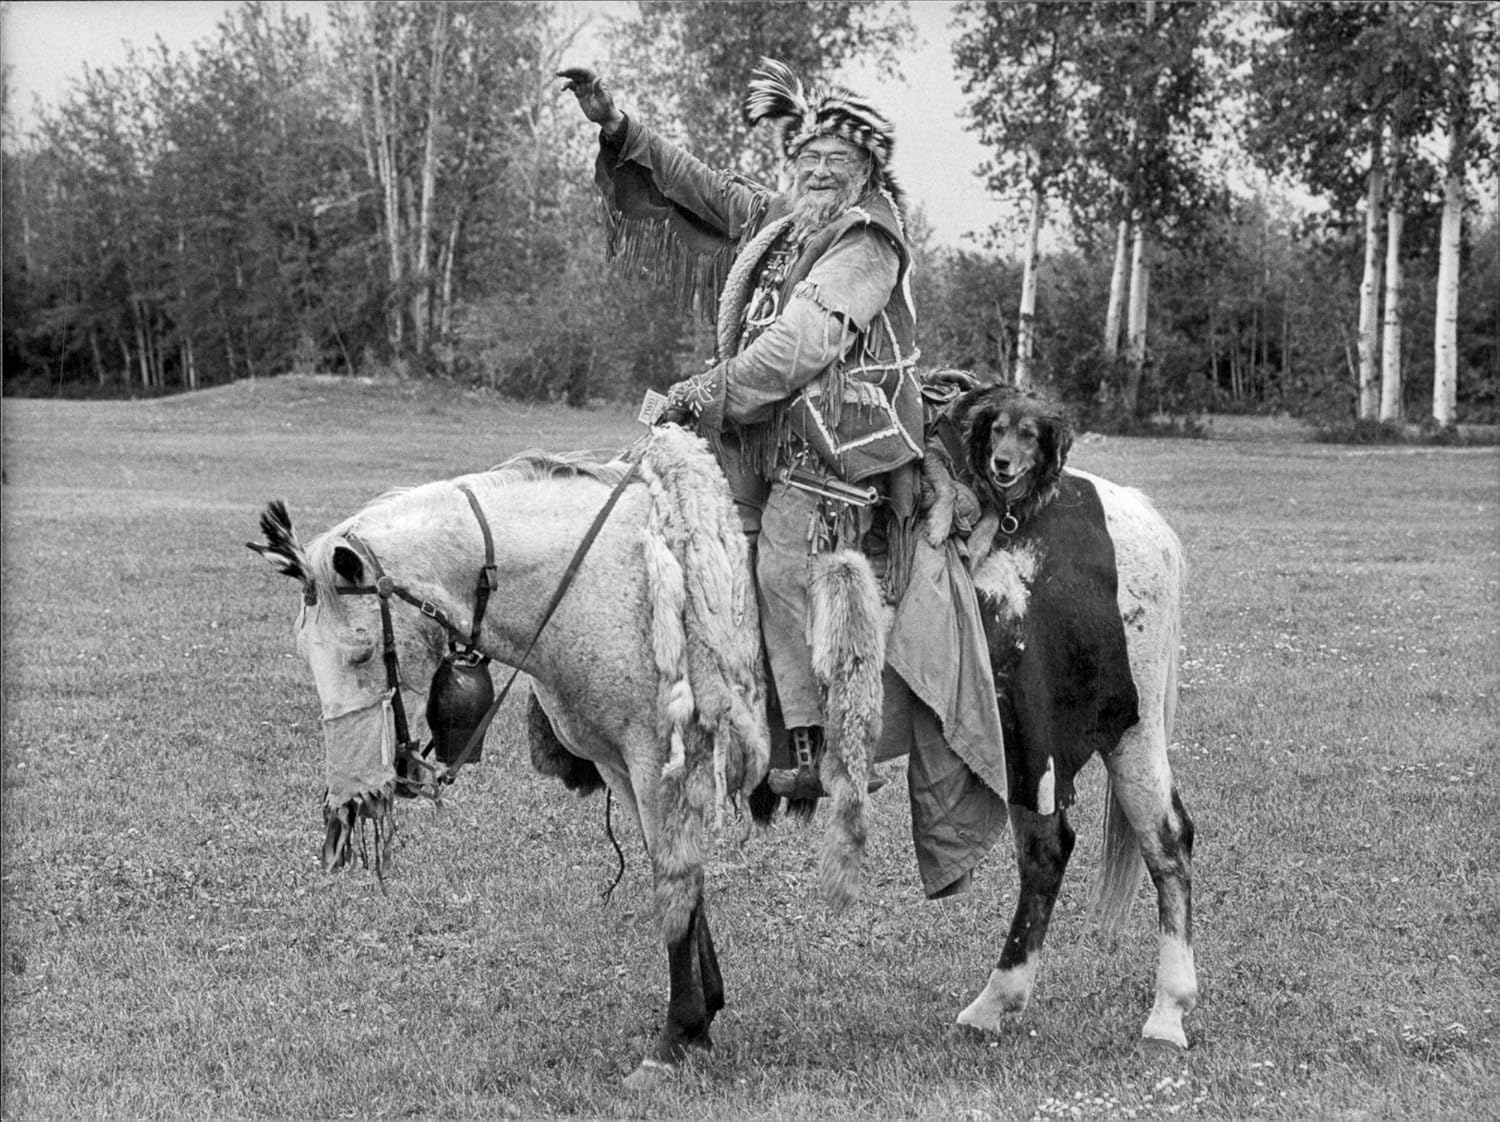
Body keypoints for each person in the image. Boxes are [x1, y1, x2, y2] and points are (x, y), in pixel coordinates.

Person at [560, 59, 925, 800]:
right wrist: (615, 123)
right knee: (662, 511)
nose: (820, 172)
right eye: (809, 159)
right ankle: (655, 704)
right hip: (757, 436)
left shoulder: (867, 243)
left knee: (782, 560)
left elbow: (799, 346)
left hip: (839, 445)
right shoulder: (780, 227)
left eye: (838, 161)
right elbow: (695, 184)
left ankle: (818, 743)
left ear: (866, 172)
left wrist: (707, 390)